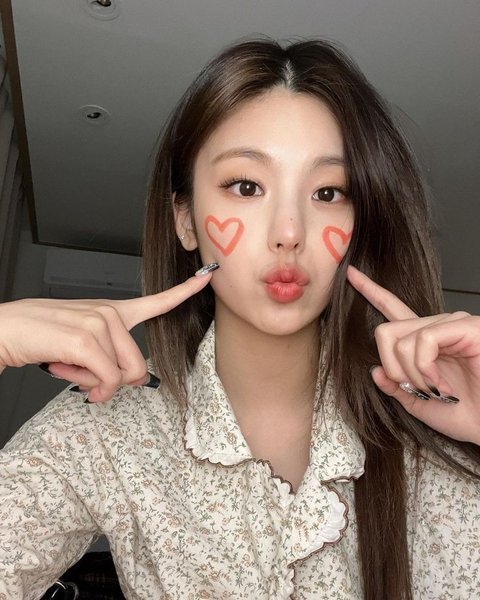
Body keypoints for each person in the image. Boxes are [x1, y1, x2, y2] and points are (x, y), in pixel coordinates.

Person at [1, 38, 479, 600]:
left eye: (329, 192)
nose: (289, 231)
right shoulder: (108, 430)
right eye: (246, 186)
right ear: (185, 220)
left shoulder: (440, 421)